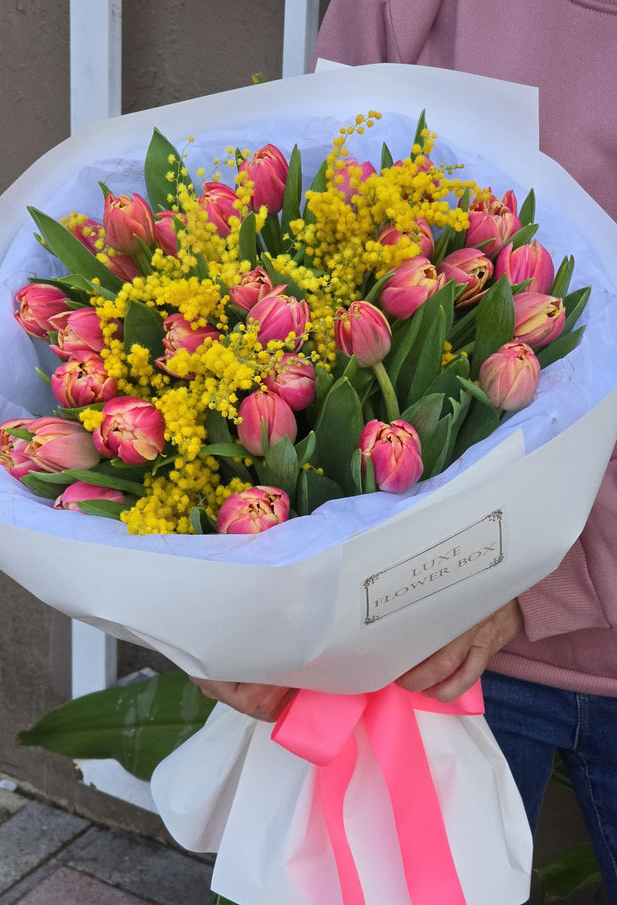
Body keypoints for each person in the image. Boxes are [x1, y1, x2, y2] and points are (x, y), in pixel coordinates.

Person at [193, 1, 617, 898]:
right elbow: (313, 260)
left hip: (473, 605)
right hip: (433, 635)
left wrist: (535, 583)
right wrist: (248, 596)